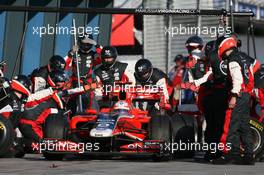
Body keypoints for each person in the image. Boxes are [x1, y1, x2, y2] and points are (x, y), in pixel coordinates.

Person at [212, 36, 254, 165]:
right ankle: (248, 155)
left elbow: (238, 80)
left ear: (224, 46)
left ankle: (228, 154)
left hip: (239, 95)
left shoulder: (233, 60)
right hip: (246, 94)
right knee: (244, 125)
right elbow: (251, 73)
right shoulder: (242, 56)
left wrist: (234, 96)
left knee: (231, 125)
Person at [64, 34, 101, 113]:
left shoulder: (94, 55)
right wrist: (71, 53)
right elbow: (64, 65)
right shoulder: (74, 54)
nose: (86, 46)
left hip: (88, 84)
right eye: (84, 43)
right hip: (75, 83)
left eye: (88, 44)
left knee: (90, 98)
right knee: (71, 101)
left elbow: (104, 56)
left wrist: (96, 45)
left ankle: (91, 116)